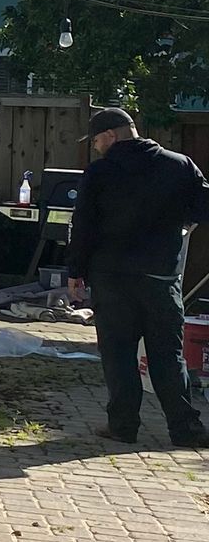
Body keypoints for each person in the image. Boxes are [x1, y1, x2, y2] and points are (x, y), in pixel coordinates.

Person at [67, 106, 209, 449]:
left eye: (98, 140)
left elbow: (83, 225)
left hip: (112, 276)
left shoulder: (100, 173)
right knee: (167, 354)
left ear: (112, 135)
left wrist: (75, 273)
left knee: (118, 353)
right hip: (161, 276)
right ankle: (185, 429)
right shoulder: (179, 165)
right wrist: (183, 222)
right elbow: (205, 206)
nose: (97, 147)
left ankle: (123, 426)